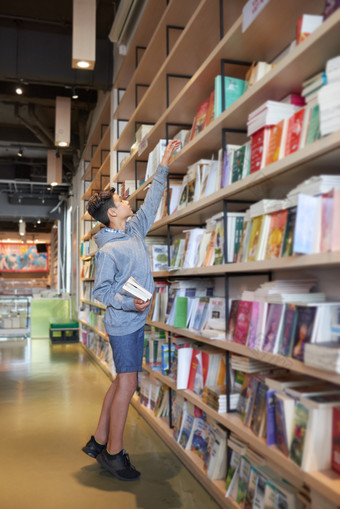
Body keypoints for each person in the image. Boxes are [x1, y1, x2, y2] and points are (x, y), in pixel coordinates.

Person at [82, 139, 181, 481]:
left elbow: (151, 203)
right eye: (122, 201)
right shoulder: (108, 251)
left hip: (135, 320)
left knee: (121, 381)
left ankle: (98, 439)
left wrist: (164, 165)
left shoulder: (135, 231)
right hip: (123, 323)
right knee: (128, 384)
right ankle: (114, 454)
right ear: (112, 213)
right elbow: (102, 291)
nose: (128, 202)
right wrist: (129, 302)